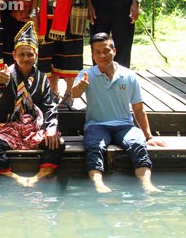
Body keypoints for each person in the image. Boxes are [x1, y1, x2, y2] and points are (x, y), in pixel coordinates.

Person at [71, 32, 167, 193]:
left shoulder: (129, 76)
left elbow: (138, 108)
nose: (102, 55)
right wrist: (80, 87)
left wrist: (148, 136)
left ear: (114, 51)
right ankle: (98, 184)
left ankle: (146, 184)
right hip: (97, 125)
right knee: (95, 147)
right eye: (97, 52)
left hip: (124, 125)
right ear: (93, 55)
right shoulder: (87, 75)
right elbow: (74, 94)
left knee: (138, 144)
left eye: (106, 51)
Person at [0, 21, 64, 186]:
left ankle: (40, 175)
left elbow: (49, 106)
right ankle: (12, 176)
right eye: (21, 55)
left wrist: (50, 129)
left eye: (29, 54)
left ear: (36, 55)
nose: (26, 58)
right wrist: (1, 81)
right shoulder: (7, 74)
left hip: (34, 128)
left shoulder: (42, 78)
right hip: (9, 127)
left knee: (57, 142)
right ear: (14, 55)